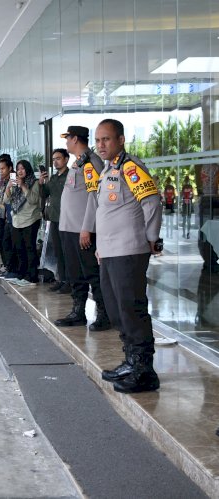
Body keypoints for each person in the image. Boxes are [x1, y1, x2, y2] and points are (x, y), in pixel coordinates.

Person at [94, 118, 162, 393]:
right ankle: (131, 361)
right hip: (110, 252)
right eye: (98, 140)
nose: (101, 145)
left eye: (106, 139)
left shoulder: (130, 167)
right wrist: (101, 246)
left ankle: (144, 371)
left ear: (120, 140)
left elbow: (152, 201)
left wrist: (151, 239)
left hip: (129, 250)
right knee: (116, 309)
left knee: (132, 308)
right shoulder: (107, 170)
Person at [53, 125, 111, 331]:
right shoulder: (79, 162)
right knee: (75, 274)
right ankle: (78, 312)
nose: (66, 142)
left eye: (67, 138)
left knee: (92, 273)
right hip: (69, 228)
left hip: (82, 230)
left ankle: (104, 314)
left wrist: (87, 228)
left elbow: (94, 196)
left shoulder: (91, 161)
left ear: (75, 139)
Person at [1, 160, 42, 285]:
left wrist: (23, 185)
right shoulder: (14, 184)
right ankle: (22, 273)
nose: (20, 171)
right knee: (19, 248)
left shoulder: (34, 182)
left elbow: (34, 200)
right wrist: (9, 186)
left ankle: (32, 276)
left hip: (30, 219)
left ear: (28, 169)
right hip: (17, 221)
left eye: (23, 168)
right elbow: (6, 200)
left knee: (30, 248)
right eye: (18, 169)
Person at [40, 149, 70, 293]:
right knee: (58, 252)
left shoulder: (70, 176)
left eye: (58, 158)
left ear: (66, 159)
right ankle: (61, 279)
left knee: (67, 252)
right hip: (54, 219)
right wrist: (41, 183)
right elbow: (45, 193)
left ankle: (69, 282)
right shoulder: (53, 178)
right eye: (53, 159)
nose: (55, 161)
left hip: (68, 220)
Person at [0, 155, 18, 277]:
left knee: (8, 242)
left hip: (13, 216)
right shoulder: (2, 180)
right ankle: (6, 265)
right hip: (3, 215)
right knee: (1, 241)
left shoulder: (14, 179)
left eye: (2, 168)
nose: (0, 171)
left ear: (10, 168)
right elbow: (1, 199)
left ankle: (11, 267)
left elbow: (13, 198)